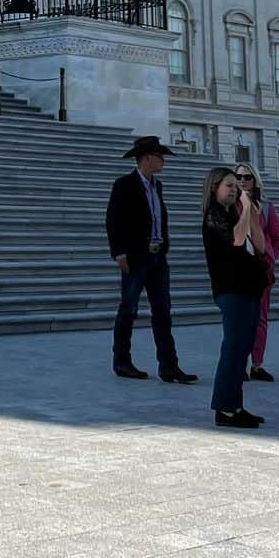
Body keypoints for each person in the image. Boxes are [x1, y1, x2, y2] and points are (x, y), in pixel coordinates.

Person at [105, 134, 197, 383]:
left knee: (163, 312)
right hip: (135, 258)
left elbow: (159, 217)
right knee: (128, 309)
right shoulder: (124, 185)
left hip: (158, 258)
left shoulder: (157, 185)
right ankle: (122, 361)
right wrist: (119, 253)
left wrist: (163, 244)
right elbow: (113, 221)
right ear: (147, 159)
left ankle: (169, 366)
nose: (163, 161)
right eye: (159, 157)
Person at [202, 165, 268, 429]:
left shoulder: (233, 214)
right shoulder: (214, 215)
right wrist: (243, 206)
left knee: (242, 349)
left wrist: (251, 213)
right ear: (215, 187)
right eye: (229, 185)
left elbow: (260, 246)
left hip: (249, 288)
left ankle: (235, 405)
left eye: (236, 185)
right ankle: (225, 408)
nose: (235, 189)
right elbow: (238, 241)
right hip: (231, 290)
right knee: (233, 348)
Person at [236, 162, 279, 382]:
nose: (243, 181)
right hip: (239, 270)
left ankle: (257, 364)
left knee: (260, 318)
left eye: (247, 177)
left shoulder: (266, 207)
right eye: (239, 177)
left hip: (261, 269)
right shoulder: (231, 205)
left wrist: (270, 258)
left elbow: (276, 237)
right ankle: (239, 363)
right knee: (240, 318)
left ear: (255, 181)